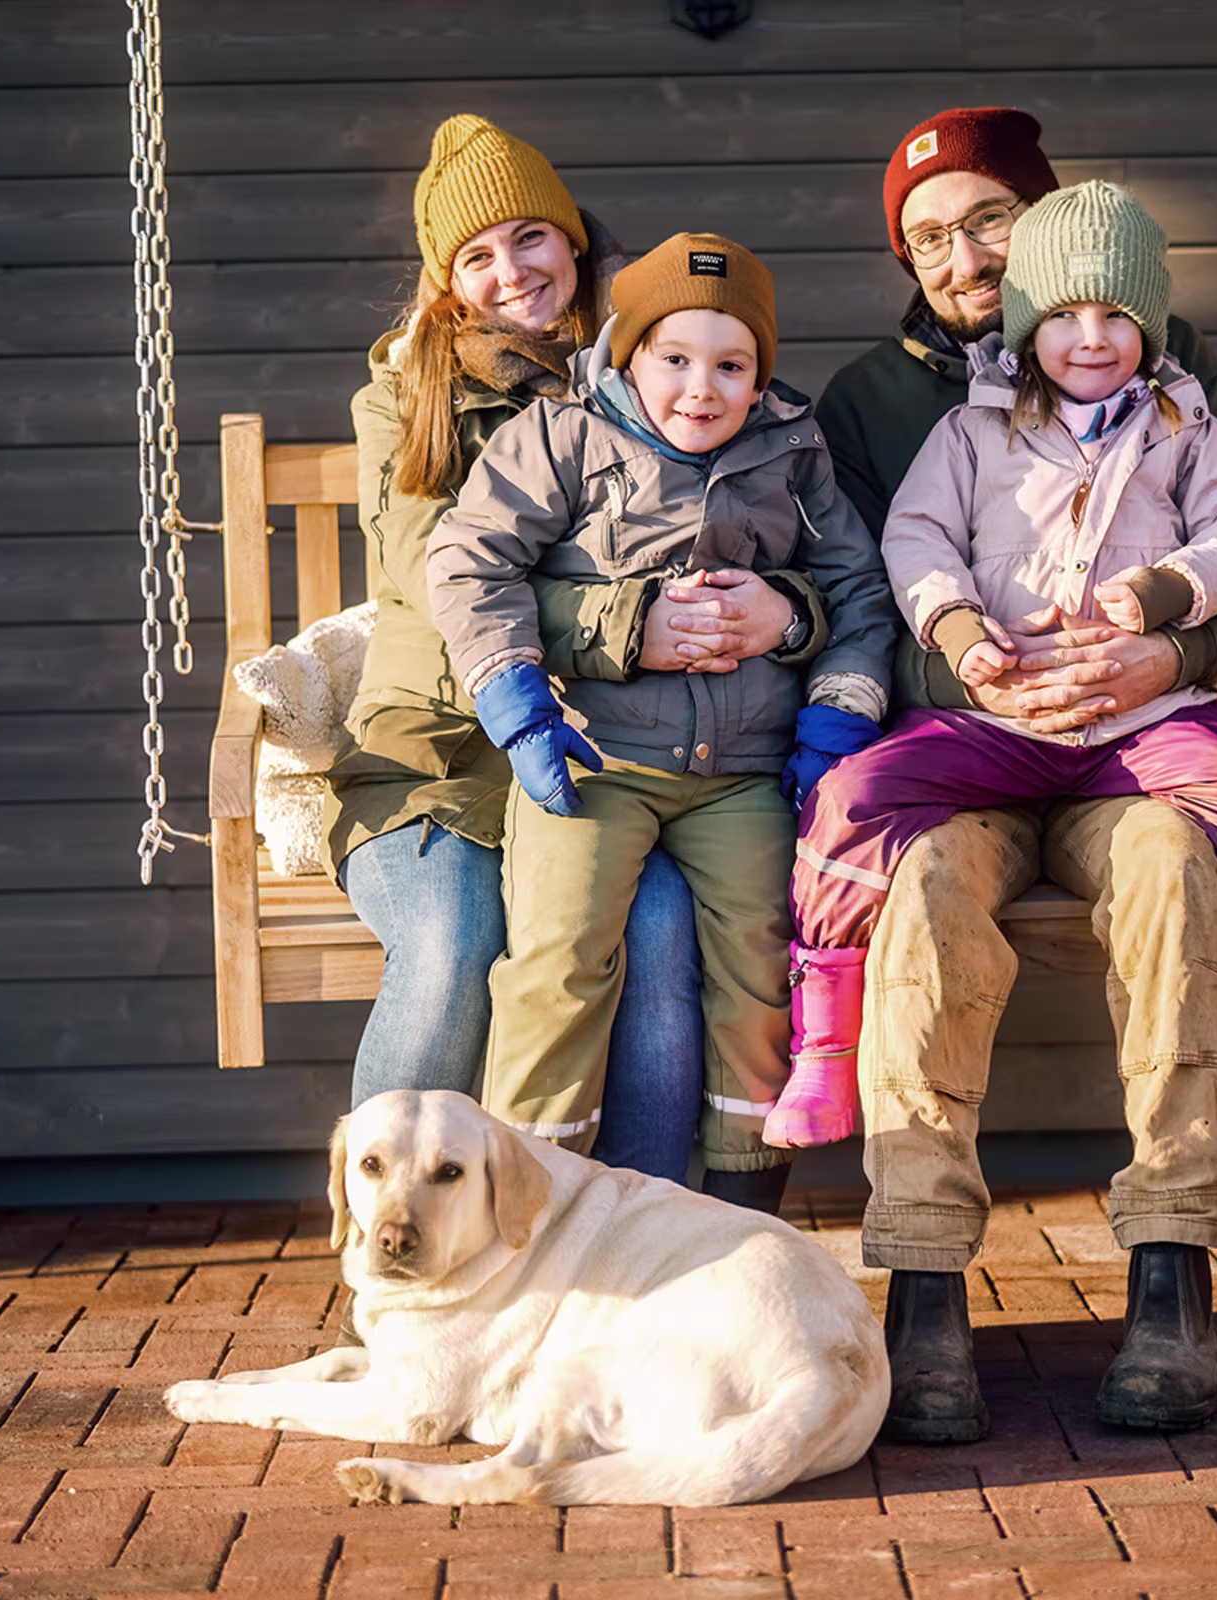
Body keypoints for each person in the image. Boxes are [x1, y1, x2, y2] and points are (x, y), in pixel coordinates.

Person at [812, 107, 1217, 1438]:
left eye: (983, 219)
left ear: (1040, 228)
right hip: (968, 753)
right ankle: (920, 1292)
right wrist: (981, 669)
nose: (957, 252)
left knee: (1172, 876)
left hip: (1134, 748)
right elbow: (868, 588)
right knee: (918, 898)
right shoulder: (874, 398)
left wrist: (1168, 654)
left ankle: (1171, 1273)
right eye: (925, 236)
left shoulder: (1166, 356)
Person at [785, 179, 1217, 1201]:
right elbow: (914, 536)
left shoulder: (1184, 420)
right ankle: (826, 1045)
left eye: (1116, 315)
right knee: (846, 802)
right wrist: (960, 632)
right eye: (1063, 315)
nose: (1092, 337)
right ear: (1026, 329)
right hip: (994, 714)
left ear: (1149, 326)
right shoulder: (970, 430)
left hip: (1144, 720)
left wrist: (1163, 597)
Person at [325, 118, 825, 1192]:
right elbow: (437, 572)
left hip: (615, 753)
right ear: (446, 282)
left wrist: (773, 612)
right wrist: (626, 624)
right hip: (448, 750)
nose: (512, 273)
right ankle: (395, 1245)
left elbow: (782, 540)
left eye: (530, 238)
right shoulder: (403, 404)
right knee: (456, 942)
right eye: (477, 256)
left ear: (573, 242)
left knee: (654, 932)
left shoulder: (662, 363)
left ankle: (638, 1236)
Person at [426, 232, 898, 1209]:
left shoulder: (790, 449)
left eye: (731, 365)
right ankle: (528, 1196)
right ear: (625, 355)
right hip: (595, 756)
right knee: (558, 960)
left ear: (760, 375)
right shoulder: (560, 437)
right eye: (672, 358)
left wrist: (833, 716)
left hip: (745, 769)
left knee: (766, 964)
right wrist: (514, 697)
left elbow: (857, 592)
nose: (701, 388)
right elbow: (471, 563)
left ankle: (739, 1203)